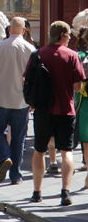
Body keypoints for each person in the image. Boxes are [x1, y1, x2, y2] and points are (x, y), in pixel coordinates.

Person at [29, 20, 86, 207]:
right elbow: (78, 85)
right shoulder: (71, 56)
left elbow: (27, 80)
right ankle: (65, 192)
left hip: (42, 110)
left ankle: (37, 192)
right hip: (65, 110)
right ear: (62, 35)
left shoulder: (37, 54)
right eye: (69, 35)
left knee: (39, 151)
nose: (70, 38)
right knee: (66, 151)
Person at [0, 15, 35, 187]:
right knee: (19, 137)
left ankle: (3, 156)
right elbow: (34, 78)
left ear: (10, 29)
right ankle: (15, 175)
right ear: (24, 30)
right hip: (21, 101)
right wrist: (33, 99)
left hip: (0, 98)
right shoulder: (31, 49)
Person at [73, 26, 88, 182]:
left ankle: (86, 164)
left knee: (85, 134)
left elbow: (76, 82)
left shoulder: (80, 56)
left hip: (84, 100)